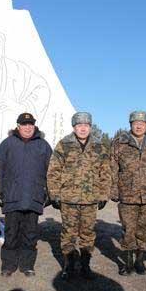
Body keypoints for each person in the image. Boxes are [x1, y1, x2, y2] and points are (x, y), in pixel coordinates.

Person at [47, 112, 111, 280]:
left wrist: (103, 195)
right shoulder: (63, 145)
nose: (83, 128)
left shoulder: (99, 146)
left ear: (90, 127)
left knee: (88, 233)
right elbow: (53, 171)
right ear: (74, 127)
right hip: (69, 198)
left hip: (90, 200)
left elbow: (105, 172)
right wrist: (54, 194)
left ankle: (85, 265)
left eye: (86, 125)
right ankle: (68, 266)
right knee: (68, 233)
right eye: (79, 125)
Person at [0, 112, 52, 277]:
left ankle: (27, 265)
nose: (28, 127)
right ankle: (8, 265)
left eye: (30, 124)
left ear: (34, 126)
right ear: (18, 126)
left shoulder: (43, 145)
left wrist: (49, 193)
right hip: (12, 197)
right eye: (24, 124)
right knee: (11, 233)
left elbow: (52, 171)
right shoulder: (7, 144)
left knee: (30, 233)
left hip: (34, 197)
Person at [110, 111, 146, 275]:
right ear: (130, 124)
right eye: (135, 123)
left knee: (145, 230)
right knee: (128, 230)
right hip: (127, 195)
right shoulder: (120, 143)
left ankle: (140, 262)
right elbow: (112, 168)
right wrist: (113, 190)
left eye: (142, 123)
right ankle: (128, 263)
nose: (138, 126)